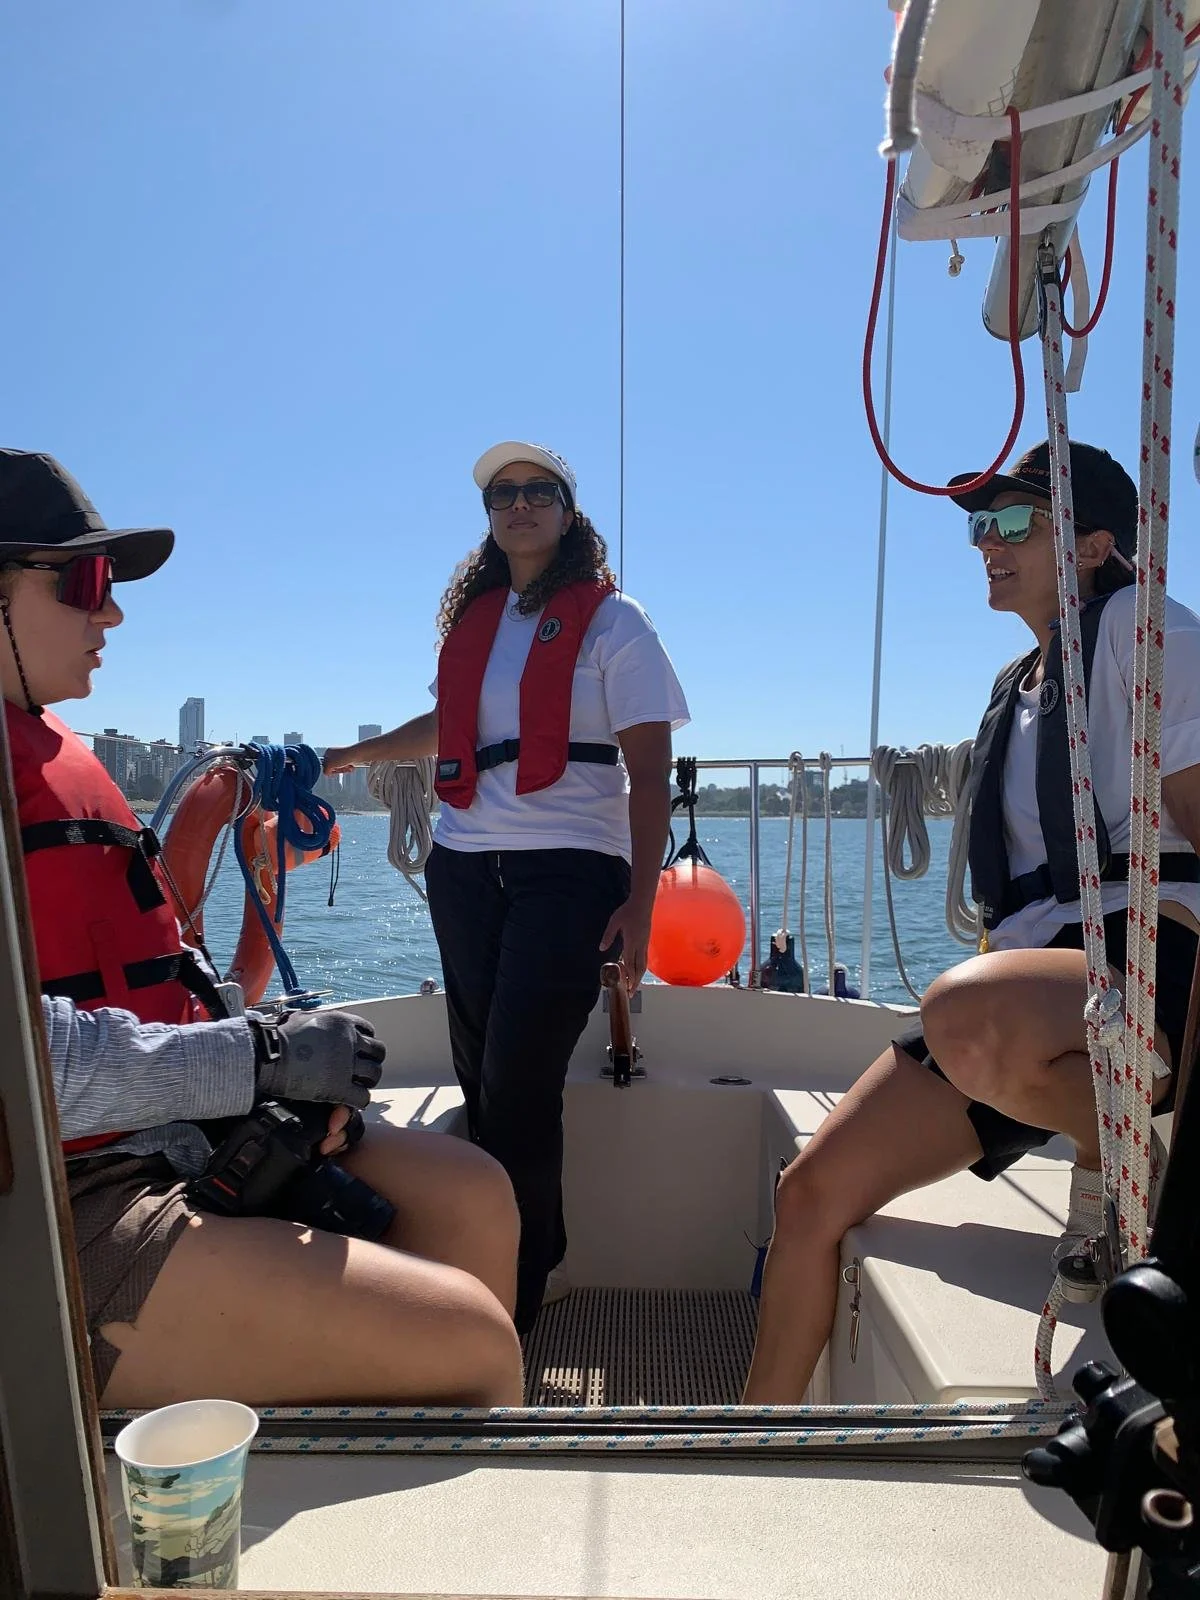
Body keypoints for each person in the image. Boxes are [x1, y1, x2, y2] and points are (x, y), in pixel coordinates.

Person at [0, 446, 524, 1409]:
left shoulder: (53, 749)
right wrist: (261, 1062)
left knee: (475, 1199)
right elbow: (23, 1065)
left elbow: (153, 992)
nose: (110, 611)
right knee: (478, 1347)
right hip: (56, 1203)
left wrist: (256, 1056)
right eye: (81, 580)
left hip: (162, 1134)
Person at [743, 440, 1200, 1404]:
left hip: (1147, 968)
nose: (985, 543)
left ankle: (1123, 1156)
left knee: (963, 1013)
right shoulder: (1019, 685)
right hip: (1033, 1003)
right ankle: (753, 1439)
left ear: (1090, 544)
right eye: (977, 528)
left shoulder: (1142, 631)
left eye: (1010, 524)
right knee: (809, 1195)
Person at [325, 441, 689, 1332]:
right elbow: (450, 725)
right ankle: (522, 1257)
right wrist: (350, 755)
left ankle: (515, 1300)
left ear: (567, 511)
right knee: (480, 1082)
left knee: (519, 1083)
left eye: (537, 492)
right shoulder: (477, 621)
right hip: (464, 867)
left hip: (571, 870)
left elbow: (650, 766)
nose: (518, 505)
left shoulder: (615, 621)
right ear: (489, 519)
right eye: (502, 495)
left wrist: (642, 902)